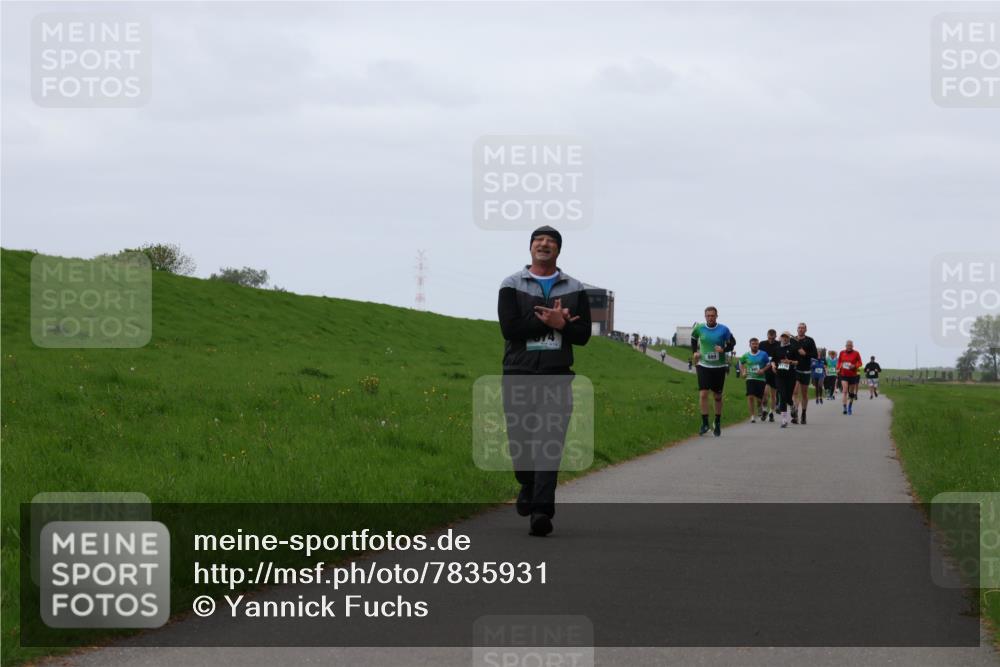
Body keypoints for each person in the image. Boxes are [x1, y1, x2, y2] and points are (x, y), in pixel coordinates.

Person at [498, 225, 591, 537]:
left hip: (557, 376)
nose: (544, 244)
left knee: (550, 444)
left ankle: (541, 512)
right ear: (530, 247)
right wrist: (553, 321)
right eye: (538, 240)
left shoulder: (576, 288)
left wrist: (563, 326)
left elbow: (583, 336)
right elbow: (510, 329)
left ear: (558, 250)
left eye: (551, 241)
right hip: (518, 374)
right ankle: (527, 483)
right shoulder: (511, 284)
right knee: (521, 444)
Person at [691, 306, 736, 437]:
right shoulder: (699, 328)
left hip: (719, 367)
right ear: (705, 316)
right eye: (708, 316)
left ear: (716, 316)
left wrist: (723, 349)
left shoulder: (724, 329)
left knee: (717, 396)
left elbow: (733, 343)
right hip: (703, 365)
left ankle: (717, 421)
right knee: (703, 394)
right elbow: (693, 338)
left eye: (712, 315)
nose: (710, 318)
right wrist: (695, 352)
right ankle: (705, 423)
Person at [790, 322, 818, 425]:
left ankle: (803, 414)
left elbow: (815, 355)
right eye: (799, 328)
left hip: (805, 370)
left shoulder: (810, 340)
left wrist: (805, 354)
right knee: (794, 392)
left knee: (804, 394)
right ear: (797, 329)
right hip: (795, 369)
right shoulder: (792, 340)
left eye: (802, 328)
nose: (801, 329)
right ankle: (795, 413)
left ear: (806, 330)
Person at [772, 331, 800, 428]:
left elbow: (798, 362)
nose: (784, 339)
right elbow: (773, 360)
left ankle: (792, 406)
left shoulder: (793, 348)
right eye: (783, 337)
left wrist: (790, 361)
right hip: (779, 375)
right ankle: (784, 420)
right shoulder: (777, 348)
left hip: (790, 376)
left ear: (789, 338)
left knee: (788, 396)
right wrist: (773, 366)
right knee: (782, 396)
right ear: (780, 338)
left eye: (786, 337)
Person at [740, 338, 770, 424]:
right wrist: (743, 371)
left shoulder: (763, 354)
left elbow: (768, 364)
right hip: (750, 378)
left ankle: (761, 408)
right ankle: (752, 416)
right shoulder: (746, 355)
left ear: (758, 345)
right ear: (750, 345)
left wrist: (763, 370)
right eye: (753, 344)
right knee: (750, 396)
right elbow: (741, 363)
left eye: (756, 344)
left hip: (761, 379)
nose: (755, 345)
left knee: (760, 399)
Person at [757, 329, 781, 422]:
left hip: (775, 372)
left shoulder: (779, 344)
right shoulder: (762, 344)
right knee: (764, 394)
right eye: (769, 338)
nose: (771, 340)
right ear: (767, 336)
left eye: (773, 338)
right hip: (765, 372)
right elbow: (758, 355)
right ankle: (764, 410)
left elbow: (782, 356)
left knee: (773, 395)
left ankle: (771, 413)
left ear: (775, 336)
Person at [836, 340, 864, 415]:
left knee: (851, 393)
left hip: (853, 375)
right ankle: (844, 407)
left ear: (852, 346)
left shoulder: (856, 353)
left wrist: (854, 366)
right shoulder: (842, 352)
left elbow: (860, 363)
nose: (849, 347)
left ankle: (850, 407)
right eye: (848, 345)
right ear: (845, 346)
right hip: (843, 374)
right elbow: (839, 361)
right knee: (845, 391)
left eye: (850, 345)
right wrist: (838, 368)